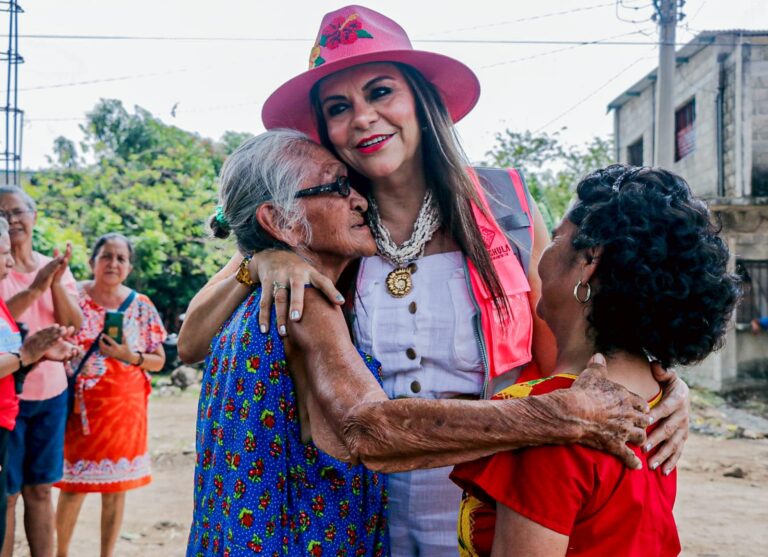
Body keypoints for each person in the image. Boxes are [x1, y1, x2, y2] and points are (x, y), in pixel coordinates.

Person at [178, 6, 690, 554]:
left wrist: (660, 387)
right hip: (363, 513)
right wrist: (259, 261)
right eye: (338, 107)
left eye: (380, 92)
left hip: (492, 502)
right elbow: (192, 342)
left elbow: (571, 348)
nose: (363, 118)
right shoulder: (328, 226)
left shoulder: (507, 209)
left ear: (420, 100)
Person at [450, 165, 741, 557]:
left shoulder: (554, 419)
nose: (543, 254)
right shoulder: (659, 403)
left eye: (555, 239)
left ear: (589, 261)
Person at [54, 233, 166, 557]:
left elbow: (158, 360)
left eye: (121, 258)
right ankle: (59, 552)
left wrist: (130, 355)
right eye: (106, 256)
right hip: (80, 409)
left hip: (125, 411)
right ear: (92, 262)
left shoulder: (141, 305)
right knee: (73, 486)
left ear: (129, 267)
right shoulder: (71, 297)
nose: (113, 263)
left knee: (116, 490)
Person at [0, 185, 83, 557]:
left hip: (50, 393)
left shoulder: (51, 265)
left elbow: (73, 323)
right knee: (8, 493)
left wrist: (54, 279)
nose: (12, 220)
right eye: (4, 215)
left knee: (41, 489)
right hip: (8, 396)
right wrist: (38, 284)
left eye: (18, 211)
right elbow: (8, 316)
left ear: (33, 216)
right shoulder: (1, 269)